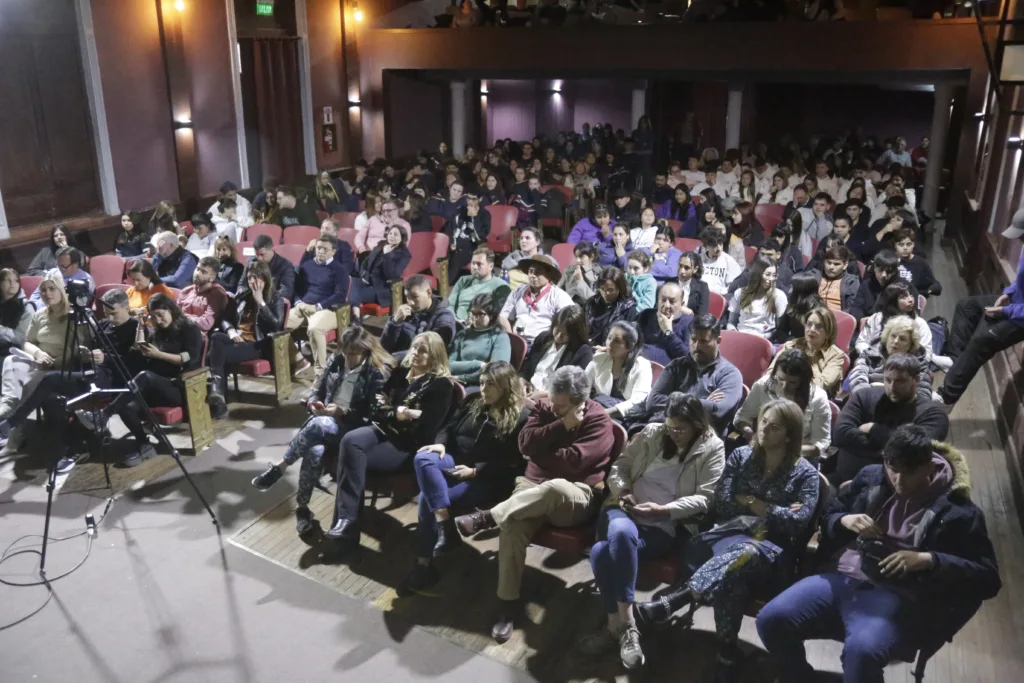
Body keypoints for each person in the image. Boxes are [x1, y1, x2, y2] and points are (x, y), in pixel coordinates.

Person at [757, 425, 1001, 683]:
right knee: (770, 620)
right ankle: (801, 676)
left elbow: (987, 577)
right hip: (843, 576)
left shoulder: (958, 510)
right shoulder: (872, 477)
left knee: (862, 654)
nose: (898, 480)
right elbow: (829, 515)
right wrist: (844, 520)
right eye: (893, 469)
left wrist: (929, 560)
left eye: (909, 473)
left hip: (898, 595)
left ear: (929, 468)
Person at [633, 398, 820, 682]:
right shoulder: (741, 456)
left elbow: (798, 522)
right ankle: (726, 653)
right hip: (728, 536)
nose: (764, 429)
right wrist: (766, 507)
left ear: (790, 434)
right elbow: (722, 503)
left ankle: (681, 598)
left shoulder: (805, 473)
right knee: (733, 574)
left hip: (772, 553)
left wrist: (751, 501)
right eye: (763, 421)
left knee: (747, 552)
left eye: (775, 427)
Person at [452, 365, 615, 643]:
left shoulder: (599, 421)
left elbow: (573, 462)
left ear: (580, 403)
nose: (552, 407)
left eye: (561, 407)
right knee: (513, 527)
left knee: (555, 486)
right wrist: (560, 425)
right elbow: (525, 446)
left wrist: (541, 455)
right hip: (530, 488)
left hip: (574, 496)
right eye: (552, 401)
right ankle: (507, 606)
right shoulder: (546, 409)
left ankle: (487, 516)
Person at [577, 393, 725, 669]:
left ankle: (614, 628)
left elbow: (706, 497)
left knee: (600, 553)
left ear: (697, 425)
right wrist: (622, 491)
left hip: (663, 524)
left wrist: (663, 510)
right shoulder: (652, 433)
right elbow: (620, 466)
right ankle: (630, 626)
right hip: (622, 509)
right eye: (670, 427)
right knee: (621, 534)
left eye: (680, 429)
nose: (674, 434)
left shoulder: (712, 447)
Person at [322, 332, 455, 559]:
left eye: (423, 350)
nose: (415, 353)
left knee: (351, 459)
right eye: (414, 347)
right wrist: (401, 413)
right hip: (382, 430)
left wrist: (391, 410)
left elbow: (424, 427)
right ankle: (346, 520)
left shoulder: (440, 386)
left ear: (435, 355)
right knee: (350, 441)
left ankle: (346, 534)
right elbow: (376, 408)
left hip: (406, 445)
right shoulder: (401, 372)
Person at [399, 361, 529, 595]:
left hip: (484, 478)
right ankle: (445, 522)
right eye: (481, 383)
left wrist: (476, 471)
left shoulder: (521, 417)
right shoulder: (472, 402)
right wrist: (440, 443)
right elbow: (448, 426)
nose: (484, 389)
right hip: (454, 459)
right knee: (423, 458)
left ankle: (423, 565)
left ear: (506, 386)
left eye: (491, 384)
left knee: (428, 498)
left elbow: (511, 463)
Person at [251, 327, 392, 533]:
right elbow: (318, 389)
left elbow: (374, 415)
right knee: (314, 451)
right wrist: (313, 403)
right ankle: (303, 508)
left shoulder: (375, 372)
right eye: (346, 352)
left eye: (353, 354)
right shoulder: (337, 360)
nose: (348, 358)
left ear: (365, 351)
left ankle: (279, 468)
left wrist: (343, 411)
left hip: (352, 429)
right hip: (326, 421)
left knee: (318, 424)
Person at [0, 287, 140, 459]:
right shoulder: (104, 325)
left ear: (126, 308)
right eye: (106, 313)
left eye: (114, 314)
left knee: (50, 379)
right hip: (90, 372)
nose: (110, 318)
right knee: (51, 398)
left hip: (112, 378)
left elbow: (134, 362)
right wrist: (85, 354)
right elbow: (93, 347)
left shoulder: (135, 327)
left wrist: (106, 358)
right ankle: (73, 444)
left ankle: (13, 422)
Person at [81, 294, 204, 468]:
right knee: (126, 402)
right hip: (156, 385)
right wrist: (140, 325)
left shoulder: (188, 328)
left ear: (171, 310)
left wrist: (159, 355)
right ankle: (143, 443)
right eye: (153, 316)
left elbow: (189, 358)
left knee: (145, 376)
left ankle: (104, 414)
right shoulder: (157, 332)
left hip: (180, 387)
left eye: (161, 315)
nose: (158, 320)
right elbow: (139, 348)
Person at [938, 216, 1024, 404]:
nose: (1019, 239)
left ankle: (947, 397)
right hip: (1015, 304)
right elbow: (1021, 280)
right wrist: (1008, 293)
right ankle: (954, 360)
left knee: (982, 340)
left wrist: (1005, 312)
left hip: (1021, 318)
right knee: (966, 307)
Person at [832, 354, 949, 484]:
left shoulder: (933, 414)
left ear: (916, 380)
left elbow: (917, 452)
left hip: (895, 490)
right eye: (888, 380)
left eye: (900, 381)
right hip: (845, 480)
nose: (892, 387)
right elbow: (839, 434)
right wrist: (890, 449)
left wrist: (874, 429)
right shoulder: (863, 396)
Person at [624, 314, 744, 434]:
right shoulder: (677, 365)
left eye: (703, 341)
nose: (697, 346)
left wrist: (673, 398)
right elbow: (653, 402)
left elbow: (718, 410)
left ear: (718, 341)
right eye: (693, 339)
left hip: (703, 438)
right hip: (666, 430)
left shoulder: (730, 375)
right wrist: (700, 403)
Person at [0, 276, 75, 460]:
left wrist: (53, 362)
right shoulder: (40, 314)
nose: (47, 293)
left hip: (61, 366)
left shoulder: (74, 315)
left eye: (52, 289)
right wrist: (38, 354)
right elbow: (27, 342)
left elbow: (78, 350)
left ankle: (14, 434)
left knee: (30, 381)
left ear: (61, 290)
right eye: (43, 290)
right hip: (38, 361)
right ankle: (7, 405)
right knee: (11, 361)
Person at [206, 260, 286, 418]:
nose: (252, 282)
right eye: (250, 278)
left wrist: (261, 302)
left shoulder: (275, 297)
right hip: (238, 339)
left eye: (256, 278)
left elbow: (277, 326)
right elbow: (225, 318)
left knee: (215, 354)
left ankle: (217, 393)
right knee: (216, 337)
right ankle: (219, 398)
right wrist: (231, 332)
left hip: (257, 344)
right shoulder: (242, 295)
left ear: (265, 278)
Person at [734, 348, 831, 461]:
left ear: (803, 380)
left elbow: (821, 443)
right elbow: (741, 418)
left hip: (798, 456)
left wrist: (785, 450)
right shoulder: (763, 385)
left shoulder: (818, 398)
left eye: (792, 382)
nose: (784, 387)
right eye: (781, 379)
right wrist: (750, 433)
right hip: (762, 449)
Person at [286, 234, 350, 376]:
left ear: (333, 252)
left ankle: (320, 372)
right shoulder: (306, 266)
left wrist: (317, 307)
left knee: (315, 329)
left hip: (327, 309)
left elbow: (340, 295)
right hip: (303, 307)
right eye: (318, 248)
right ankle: (298, 359)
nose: (320, 251)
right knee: (278, 325)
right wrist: (299, 302)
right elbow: (296, 289)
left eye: (325, 249)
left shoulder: (339, 269)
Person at [850, 315, 934, 401]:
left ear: (910, 345)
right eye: (893, 336)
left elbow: (924, 394)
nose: (896, 341)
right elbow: (857, 378)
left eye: (902, 339)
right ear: (887, 336)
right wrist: (869, 398)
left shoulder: (919, 363)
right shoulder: (870, 354)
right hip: (869, 402)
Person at [520, 305, 594, 400]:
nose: (558, 336)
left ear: (576, 333)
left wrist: (546, 394)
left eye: (565, 334)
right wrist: (523, 380)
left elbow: (574, 386)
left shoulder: (582, 351)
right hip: (529, 391)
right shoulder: (544, 338)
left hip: (554, 399)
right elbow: (527, 365)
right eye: (557, 329)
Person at [770, 306, 845, 398]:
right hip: (780, 394)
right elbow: (770, 373)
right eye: (809, 324)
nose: (812, 329)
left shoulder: (835, 355)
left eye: (819, 326)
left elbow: (821, 386)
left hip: (813, 401)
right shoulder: (791, 346)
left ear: (828, 331)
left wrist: (806, 360)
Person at [498, 253, 573, 345]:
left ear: (548, 275)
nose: (533, 275)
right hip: (517, 341)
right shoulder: (519, 291)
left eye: (538, 272)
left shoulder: (559, 296)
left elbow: (570, 321)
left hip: (543, 344)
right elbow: (503, 317)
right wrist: (510, 338)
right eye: (530, 271)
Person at [586, 321, 652, 420]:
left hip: (624, 416)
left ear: (630, 346)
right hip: (600, 409)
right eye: (609, 338)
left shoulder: (642, 366)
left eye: (616, 341)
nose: (609, 344)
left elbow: (638, 400)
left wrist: (603, 413)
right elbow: (582, 385)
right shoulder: (598, 359)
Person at [856, 281, 932, 362]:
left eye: (911, 295)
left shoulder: (920, 323)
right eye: (904, 297)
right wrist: (872, 357)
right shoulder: (877, 318)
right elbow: (862, 342)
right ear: (892, 301)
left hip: (907, 366)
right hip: (875, 361)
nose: (910, 300)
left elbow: (927, 354)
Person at [381, 274, 457, 353]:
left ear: (429, 293)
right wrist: (394, 323)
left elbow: (429, 353)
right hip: (398, 360)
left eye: (415, 296)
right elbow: (384, 347)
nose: (410, 302)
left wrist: (394, 359)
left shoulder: (444, 317)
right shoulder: (405, 313)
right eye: (407, 297)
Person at [448, 293, 512, 387]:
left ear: (491, 316)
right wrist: (479, 364)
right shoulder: (463, 334)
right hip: (455, 381)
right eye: (472, 312)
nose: (475, 318)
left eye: (480, 314)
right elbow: (450, 365)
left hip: (484, 385)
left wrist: (461, 378)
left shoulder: (500, 337)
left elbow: (495, 371)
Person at [349, 225, 411, 318]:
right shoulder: (380, 245)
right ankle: (356, 317)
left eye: (395, 234)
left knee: (353, 293)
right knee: (352, 282)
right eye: (390, 233)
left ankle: (356, 317)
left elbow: (393, 275)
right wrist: (364, 277)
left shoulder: (404, 254)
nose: (392, 236)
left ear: (402, 238)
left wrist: (387, 255)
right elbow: (366, 262)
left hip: (382, 290)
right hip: (367, 284)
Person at [727, 256, 788, 339]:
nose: (771, 279)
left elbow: (780, 329)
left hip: (763, 339)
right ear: (757, 274)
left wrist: (765, 336)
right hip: (740, 336)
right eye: (767, 275)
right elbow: (731, 322)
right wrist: (732, 332)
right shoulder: (740, 293)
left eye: (774, 275)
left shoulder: (778, 296)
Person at [636, 282, 694, 366]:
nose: (666, 305)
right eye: (663, 300)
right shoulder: (646, 315)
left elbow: (687, 357)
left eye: (672, 301)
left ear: (681, 304)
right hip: (640, 368)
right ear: (657, 300)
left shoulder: (689, 322)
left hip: (670, 374)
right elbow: (630, 338)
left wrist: (668, 332)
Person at [448, 247, 511, 323]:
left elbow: (499, 316)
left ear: (490, 266)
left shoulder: (500, 286)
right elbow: (450, 305)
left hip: (481, 327)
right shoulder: (463, 280)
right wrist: (455, 320)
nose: (474, 267)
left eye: (479, 264)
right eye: (473, 263)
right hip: (457, 324)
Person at [584, 267, 638, 348]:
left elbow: (630, 341)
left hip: (611, 350)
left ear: (620, 288)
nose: (606, 293)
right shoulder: (591, 303)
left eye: (611, 290)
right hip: (589, 347)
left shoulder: (628, 309)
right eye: (602, 289)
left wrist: (607, 348)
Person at [445, 192, 491, 285]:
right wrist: (452, 242)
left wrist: (474, 218)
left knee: (458, 255)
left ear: (480, 199)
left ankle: (445, 283)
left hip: (472, 245)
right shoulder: (460, 211)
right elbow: (450, 229)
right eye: (468, 198)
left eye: (473, 199)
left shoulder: (485, 215)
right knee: (442, 252)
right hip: (456, 242)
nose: (470, 201)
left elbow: (481, 237)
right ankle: (440, 280)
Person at [174, 256, 229, 334]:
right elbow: (175, 313)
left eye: (203, 272)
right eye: (197, 269)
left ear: (212, 278)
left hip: (198, 335)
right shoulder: (186, 291)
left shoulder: (217, 295)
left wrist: (182, 316)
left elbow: (206, 323)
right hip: (178, 329)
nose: (197, 274)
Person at [240, 234, 296, 302]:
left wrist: (262, 299)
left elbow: (285, 293)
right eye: (257, 255)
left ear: (271, 249)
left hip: (271, 304)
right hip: (251, 301)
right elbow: (241, 284)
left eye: (262, 254)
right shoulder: (250, 261)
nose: (259, 258)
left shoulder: (285, 266)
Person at [771, 271, 824, 344]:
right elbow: (781, 330)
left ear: (801, 292)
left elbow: (817, 339)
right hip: (793, 345)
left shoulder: (819, 312)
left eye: (792, 288)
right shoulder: (792, 306)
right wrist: (790, 340)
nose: (789, 291)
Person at [808, 243, 860, 313]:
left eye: (836, 264)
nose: (831, 267)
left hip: (838, 320)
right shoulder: (813, 276)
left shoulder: (852, 282)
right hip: (813, 315)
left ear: (845, 265)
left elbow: (851, 309)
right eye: (828, 263)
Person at [849, 249, 900, 320]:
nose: (884, 275)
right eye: (881, 270)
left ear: (895, 271)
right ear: (875, 268)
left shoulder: (903, 287)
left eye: (889, 272)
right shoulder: (866, 285)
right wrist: (862, 319)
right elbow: (856, 307)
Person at [893, 227, 941, 297]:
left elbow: (936, 285)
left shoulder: (920, 263)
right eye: (901, 244)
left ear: (913, 244)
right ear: (895, 245)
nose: (905, 248)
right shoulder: (890, 260)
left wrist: (927, 292)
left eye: (909, 244)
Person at [699, 227, 742, 297]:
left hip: (720, 297)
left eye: (720, 243)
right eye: (714, 245)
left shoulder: (729, 262)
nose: (718, 248)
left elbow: (735, 286)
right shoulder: (698, 260)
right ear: (706, 245)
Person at [0, 268, 32, 362]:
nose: (12, 283)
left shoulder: (26, 307)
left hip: (13, 352)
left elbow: (20, 338)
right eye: (7, 280)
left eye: (16, 280)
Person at [557, 241, 602, 306]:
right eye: (576, 257)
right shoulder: (569, 270)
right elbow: (558, 289)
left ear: (592, 256)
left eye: (581, 257)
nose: (578, 260)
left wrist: (580, 282)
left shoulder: (598, 274)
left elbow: (595, 302)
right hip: (568, 307)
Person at [675, 250, 710, 317]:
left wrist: (691, 313)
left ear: (695, 269)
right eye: (680, 266)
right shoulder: (669, 283)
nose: (682, 271)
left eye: (687, 268)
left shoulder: (702, 287)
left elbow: (702, 316)